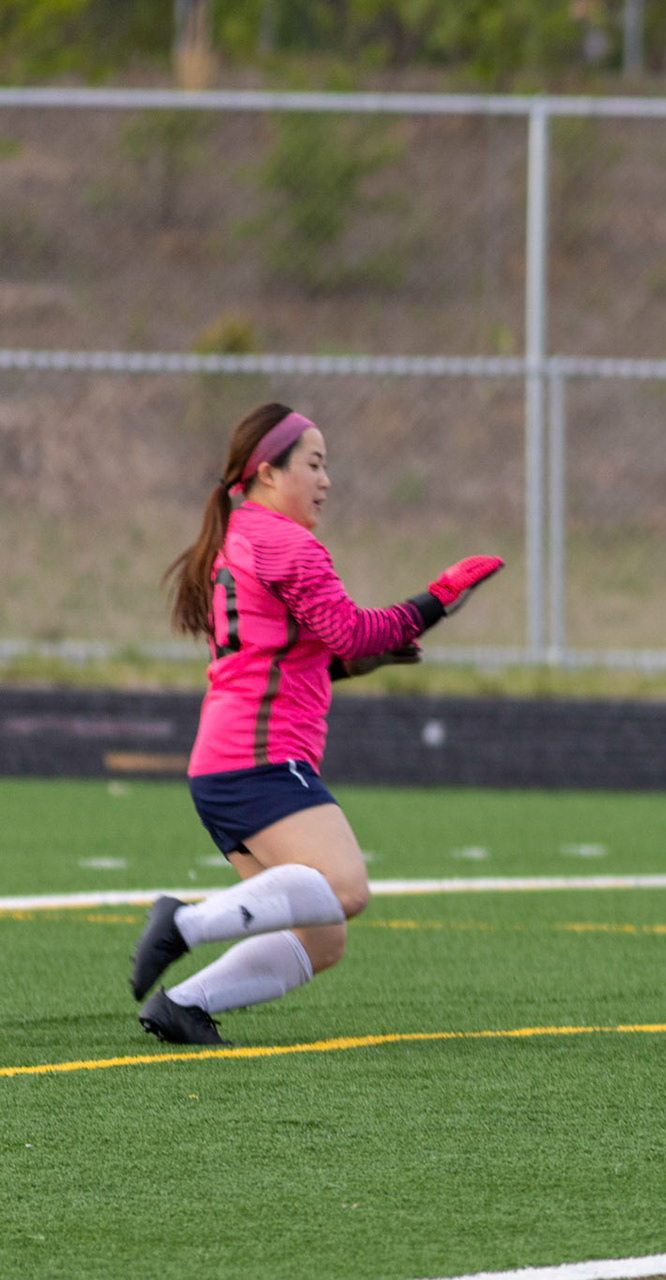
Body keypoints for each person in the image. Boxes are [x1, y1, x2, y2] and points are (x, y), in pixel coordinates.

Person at [131, 402, 504, 1046]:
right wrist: (437, 599)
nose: (326, 480)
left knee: (323, 938)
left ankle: (183, 1006)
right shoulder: (282, 541)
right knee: (345, 887)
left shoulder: (241, 536)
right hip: (258, 758)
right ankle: (182, 924)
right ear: (268, 473)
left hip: (225, 764)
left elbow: (296, 660)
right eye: (314, 464)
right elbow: (351, 631)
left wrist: (363, 662)